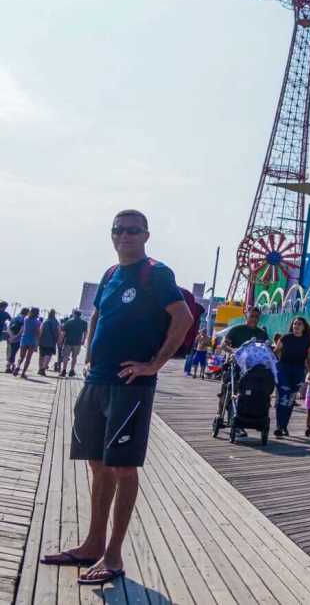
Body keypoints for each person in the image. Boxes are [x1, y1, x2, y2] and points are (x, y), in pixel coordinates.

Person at [40, 209, 193, 586]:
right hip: (98, 380)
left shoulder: (155, 272)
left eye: (132, 230)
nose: (124, 236)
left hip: (131, 386)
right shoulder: (110, 275)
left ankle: (113, 556)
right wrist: (90, 351)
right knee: (97, 464)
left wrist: (154, 364)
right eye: (118, 230)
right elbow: (98, 316)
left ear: (145, 235)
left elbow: (184, 318)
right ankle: (92, 543)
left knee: (123, 469)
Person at [217, 308, 268, 417]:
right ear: (246, 316)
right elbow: (223, 345)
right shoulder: (236, 330)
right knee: (227, 391)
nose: (254, 319)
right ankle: (220, 415)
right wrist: (232, 350)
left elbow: (266, 350)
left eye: (256, 316)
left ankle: (239, 418)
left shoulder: (262, 334)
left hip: (253, 369)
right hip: (235, 365)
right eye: (252, 316)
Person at [274, 317, 310, 437]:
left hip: (298, 371)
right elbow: (275, 352)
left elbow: (309, 358)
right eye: (295, 324)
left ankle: (284, 426)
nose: (296, 326)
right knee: (283, 398)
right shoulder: (285, 338)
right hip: (283, 370)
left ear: (304, 327)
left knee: (290, 399)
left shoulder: (308, 340)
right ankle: (279, 427)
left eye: (299, 324)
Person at [16, 306, 42, 378]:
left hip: (24, 338)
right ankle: (23, 373)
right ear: (37, 313)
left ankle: (17, 367)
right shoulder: (38, 322)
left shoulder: (26, 319)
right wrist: (39, 338)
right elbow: (37, 332)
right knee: (28, 358)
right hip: (32, 340)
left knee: (21, 356)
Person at [60, 309, 87, 377]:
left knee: (66, 356)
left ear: (74, 314)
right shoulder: (84, 322)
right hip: (77, 342)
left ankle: (64, 370)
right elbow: (85, 332)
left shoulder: (69, 321)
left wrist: (61, 340)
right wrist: (83, 340)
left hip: (68, 342)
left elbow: (63, 332)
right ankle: (72, 370)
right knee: (74, 357)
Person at [38, 308, 61, 376]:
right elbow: (59, 332)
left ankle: (40, 368)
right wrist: (58, 341)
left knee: (41, 355)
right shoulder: (57, 322)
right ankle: (43, 368)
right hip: (52, 342)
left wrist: (39, 339)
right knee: (48, 355)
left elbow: (41, 331)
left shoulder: (45, 321)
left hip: (43, 341)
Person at [3, 304, 21, 374]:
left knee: (9, 352)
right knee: (13, 353)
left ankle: (10, 365)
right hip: (17, 339)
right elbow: (22, 330)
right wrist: (15, 337)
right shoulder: (23, 320)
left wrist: (10, 335)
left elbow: (8, 325)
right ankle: (9, 366)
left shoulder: (14, 319)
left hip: (9, 337)